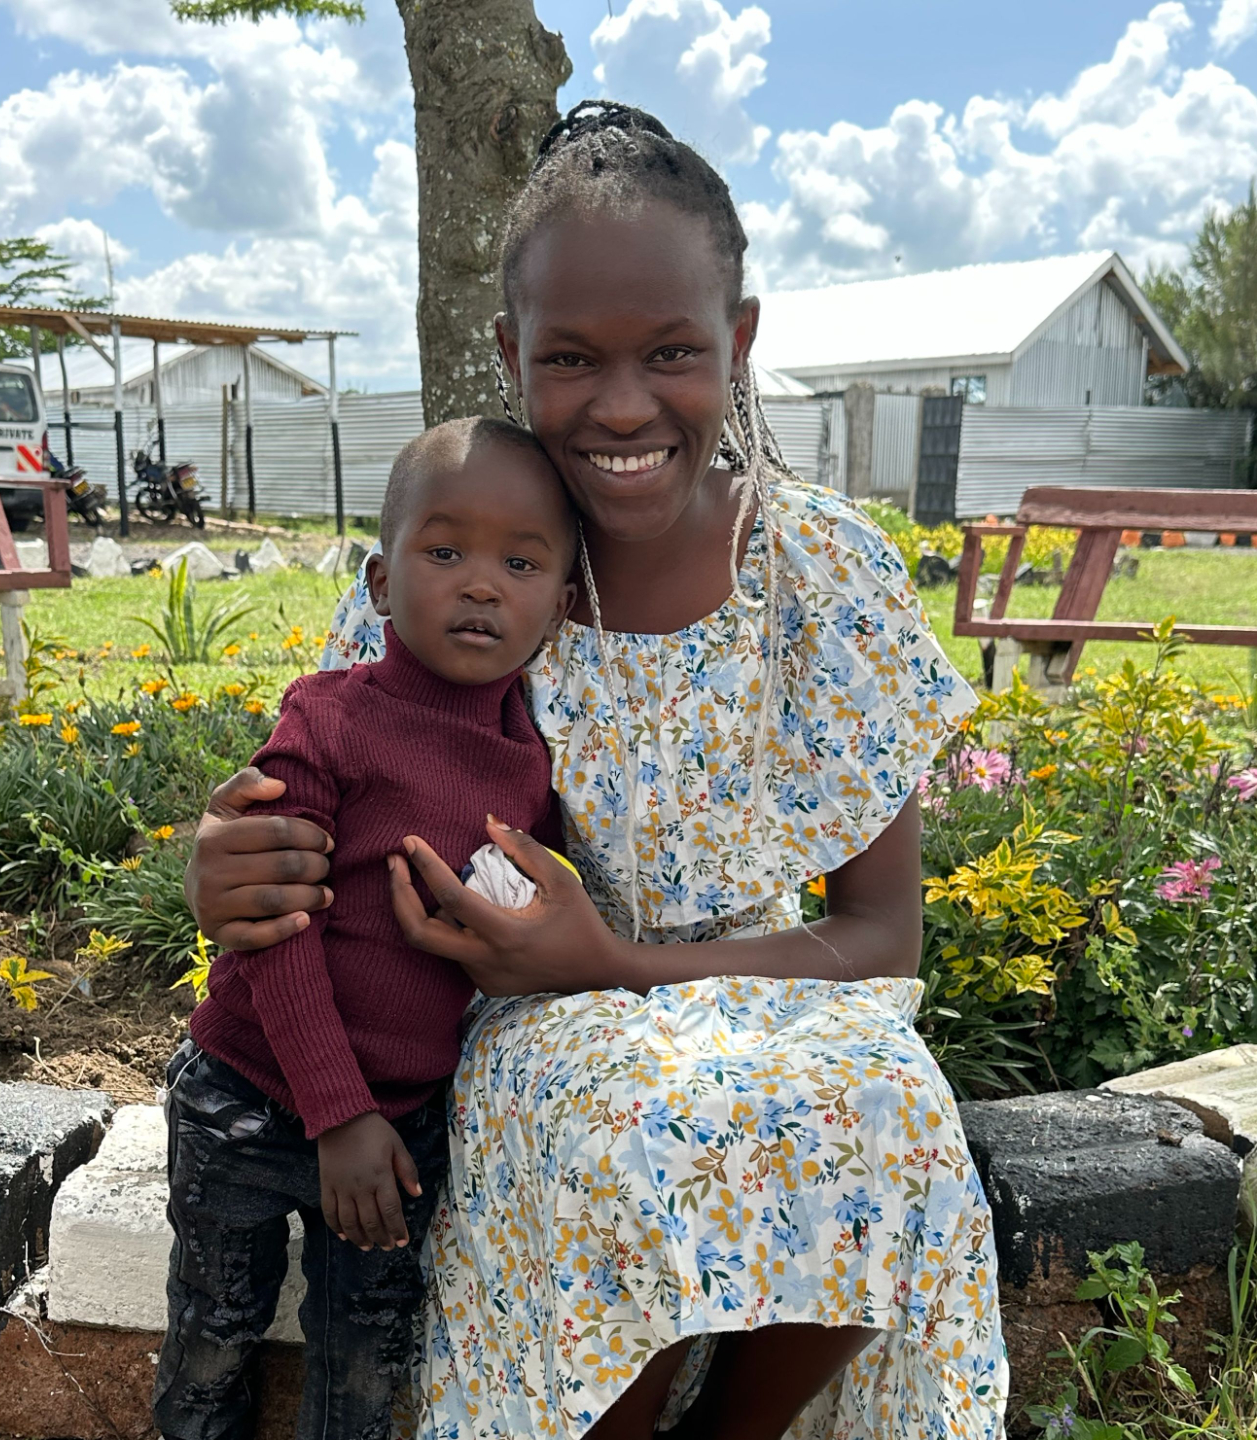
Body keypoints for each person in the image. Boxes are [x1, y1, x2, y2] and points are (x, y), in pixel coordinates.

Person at [185, 102, 1007, 1440]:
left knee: (892, 1108)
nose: (623, 406)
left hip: (769, 992)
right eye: (569, 358)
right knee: (614, 1126)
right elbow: (307, 823)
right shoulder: (454, 581)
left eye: (673, 351)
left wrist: (614, 960)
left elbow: (880, 935)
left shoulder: (822, 576)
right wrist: (225, 868)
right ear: (511, 352)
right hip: (508, 1012)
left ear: (739, 340)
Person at [154, 417, 579, 1440]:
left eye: (520, 564)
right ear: (381, 584)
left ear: (560, 607)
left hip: (401, 1123)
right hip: (251, 1098)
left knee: (366, 1356)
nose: (482, 586)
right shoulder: (328, 720)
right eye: (445, 552)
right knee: (215, 1331)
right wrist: (336, 1113)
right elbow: (272, 927)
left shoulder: (535, 763)